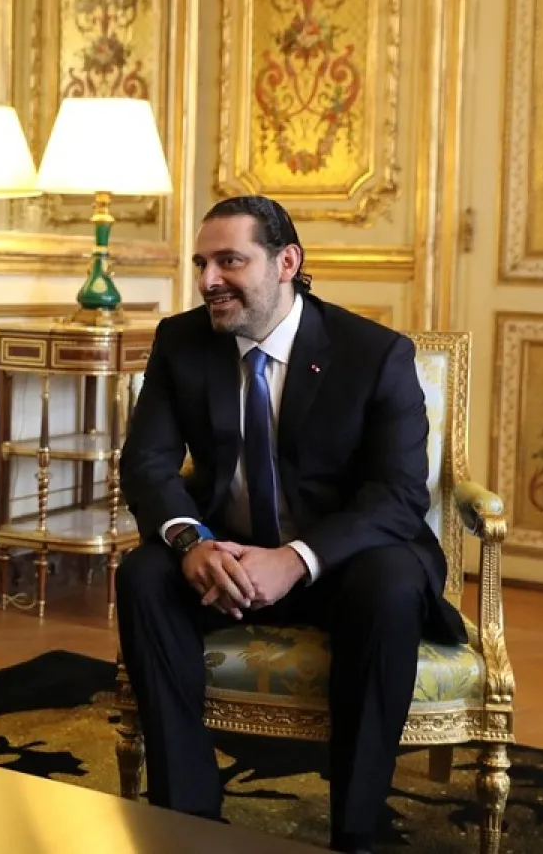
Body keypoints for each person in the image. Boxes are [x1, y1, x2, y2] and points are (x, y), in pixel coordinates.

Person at [115, 195, 467, 854]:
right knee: (143, 576)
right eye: (201, 263)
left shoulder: (375, 353)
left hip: (340, 562)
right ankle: (187, 817)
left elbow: (395, 495)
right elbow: (148, 464)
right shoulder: (182, 342)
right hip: (226, 552)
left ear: (286, 262)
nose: (207, 280)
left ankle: (356, 830)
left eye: (229, 261)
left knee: (391, 581)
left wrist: (296, 558)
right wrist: (191, 542)